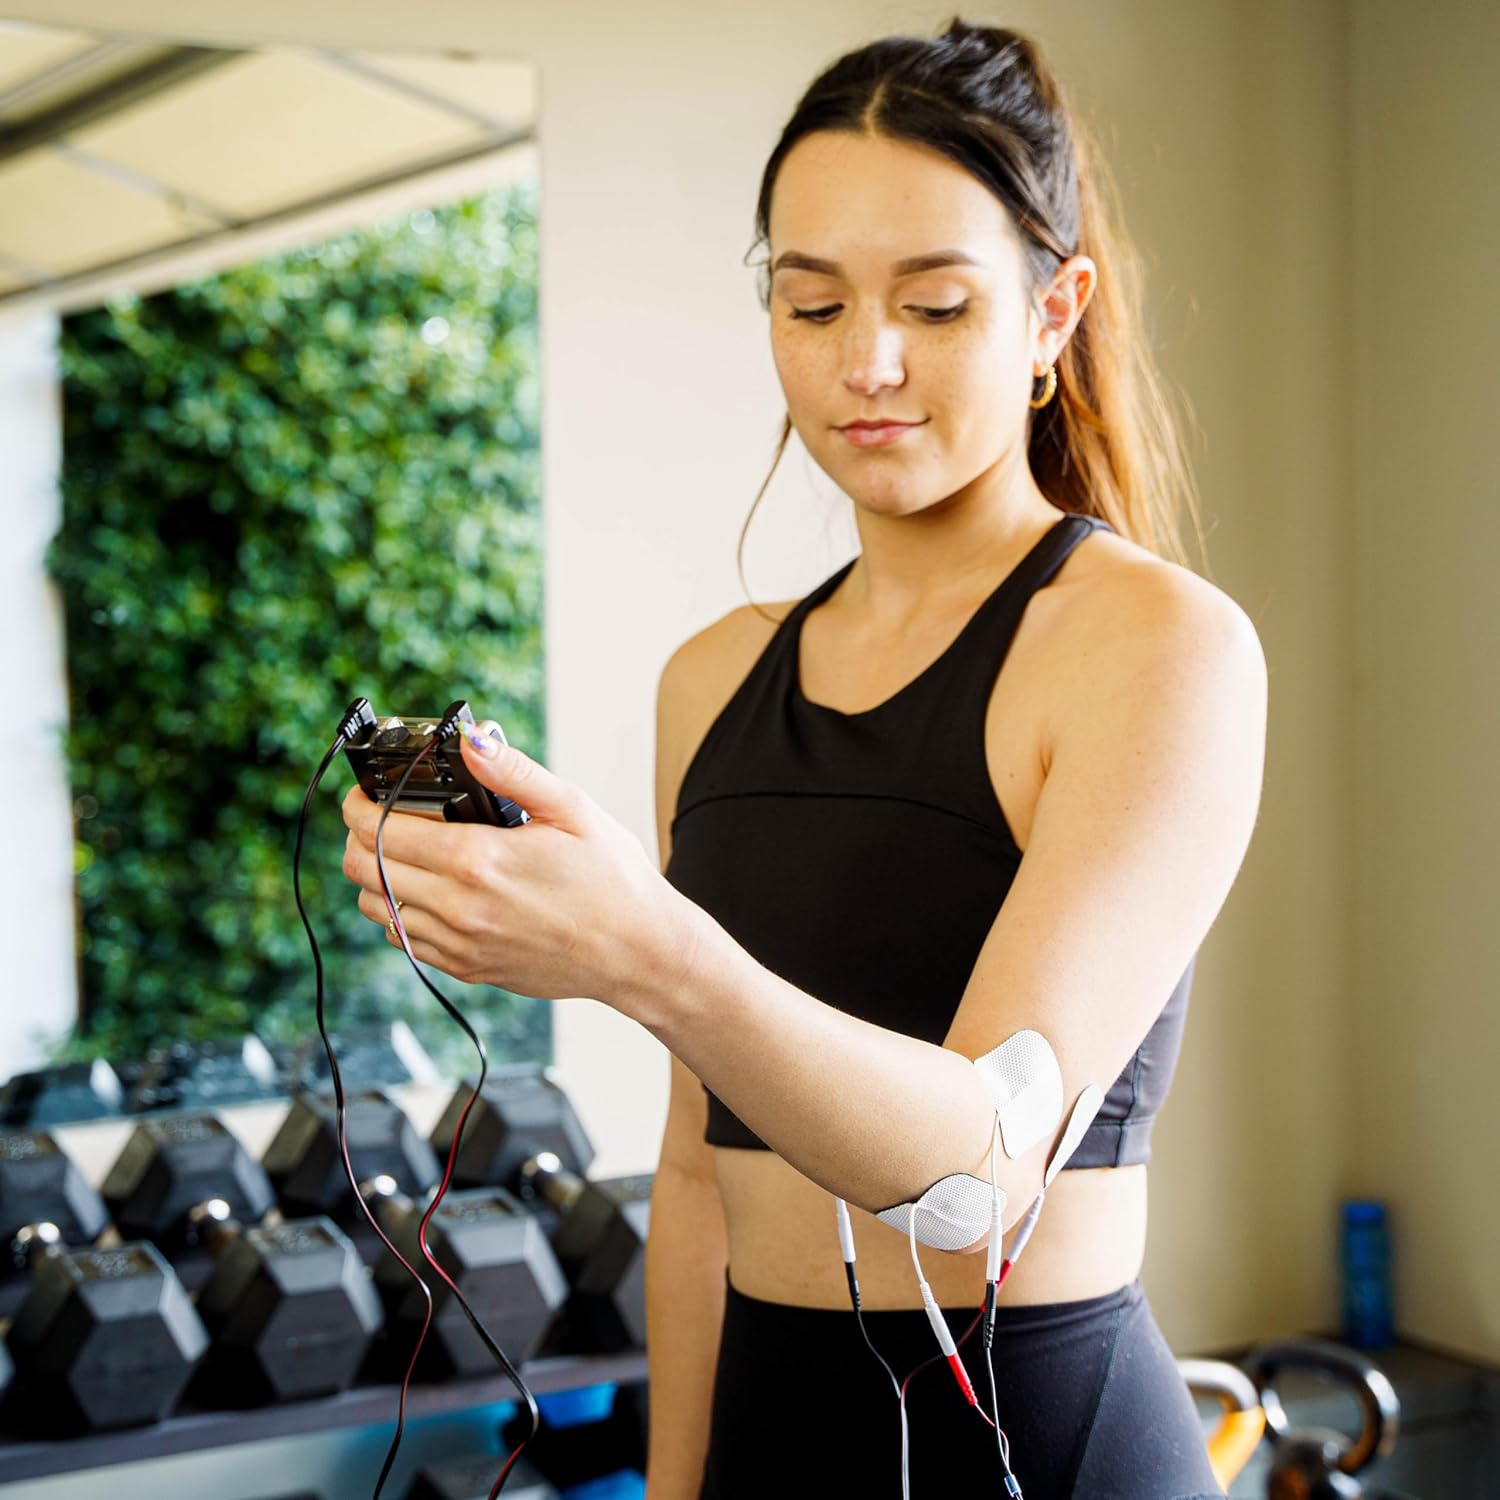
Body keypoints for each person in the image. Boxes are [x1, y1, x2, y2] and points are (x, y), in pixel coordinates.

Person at [338, 16, 1266, 1500]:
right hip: (769, 1419)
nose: (868, 363)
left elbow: (975, 1180)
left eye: (939, 304)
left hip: (1044, 1438)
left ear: (1052, 313)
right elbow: (704, 1167)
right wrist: (680, 1484)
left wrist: (645, 952)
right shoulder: (710, 677)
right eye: (812, 304)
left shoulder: (1159, 650)